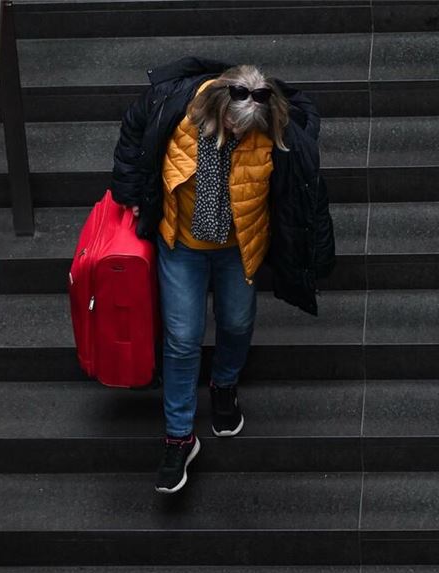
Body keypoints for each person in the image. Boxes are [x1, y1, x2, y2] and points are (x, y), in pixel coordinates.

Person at [109, 57, 336, 494]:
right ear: (215, 105)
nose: (237, 135)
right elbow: (133, 131)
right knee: (181, 337)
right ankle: (179, 436)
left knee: (236, 322)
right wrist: (131, 192)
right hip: (181, 244)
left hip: (238, 245)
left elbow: (303, 183)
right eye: (231, 127)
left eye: (246, 131)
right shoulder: (173, 105)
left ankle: (225, 383)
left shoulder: (272, 128)